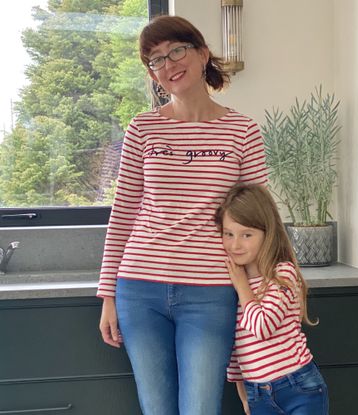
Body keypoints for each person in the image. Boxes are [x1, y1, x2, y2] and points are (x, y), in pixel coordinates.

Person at [97, 15, 268, 415]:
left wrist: (259, 290)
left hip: (211, 292)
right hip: (139, 289)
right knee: (156, 408)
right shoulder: (142, 129)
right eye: (155, 60)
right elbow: (123, 213)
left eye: (177, 50)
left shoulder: (243, 131)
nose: (168, 64)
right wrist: (107, 295)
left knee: (201, 408)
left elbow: (259, 219)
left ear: (203, 54)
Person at [214, 184, 329, 415]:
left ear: (268, 233)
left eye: (246, 235)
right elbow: (237, 346)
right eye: (228, 234)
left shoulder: (282, 274)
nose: (235, 245)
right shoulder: (234, 285)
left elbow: (262, 326)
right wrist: (244, 393)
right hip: (258, 394)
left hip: (299, 387)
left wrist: (242, 287)